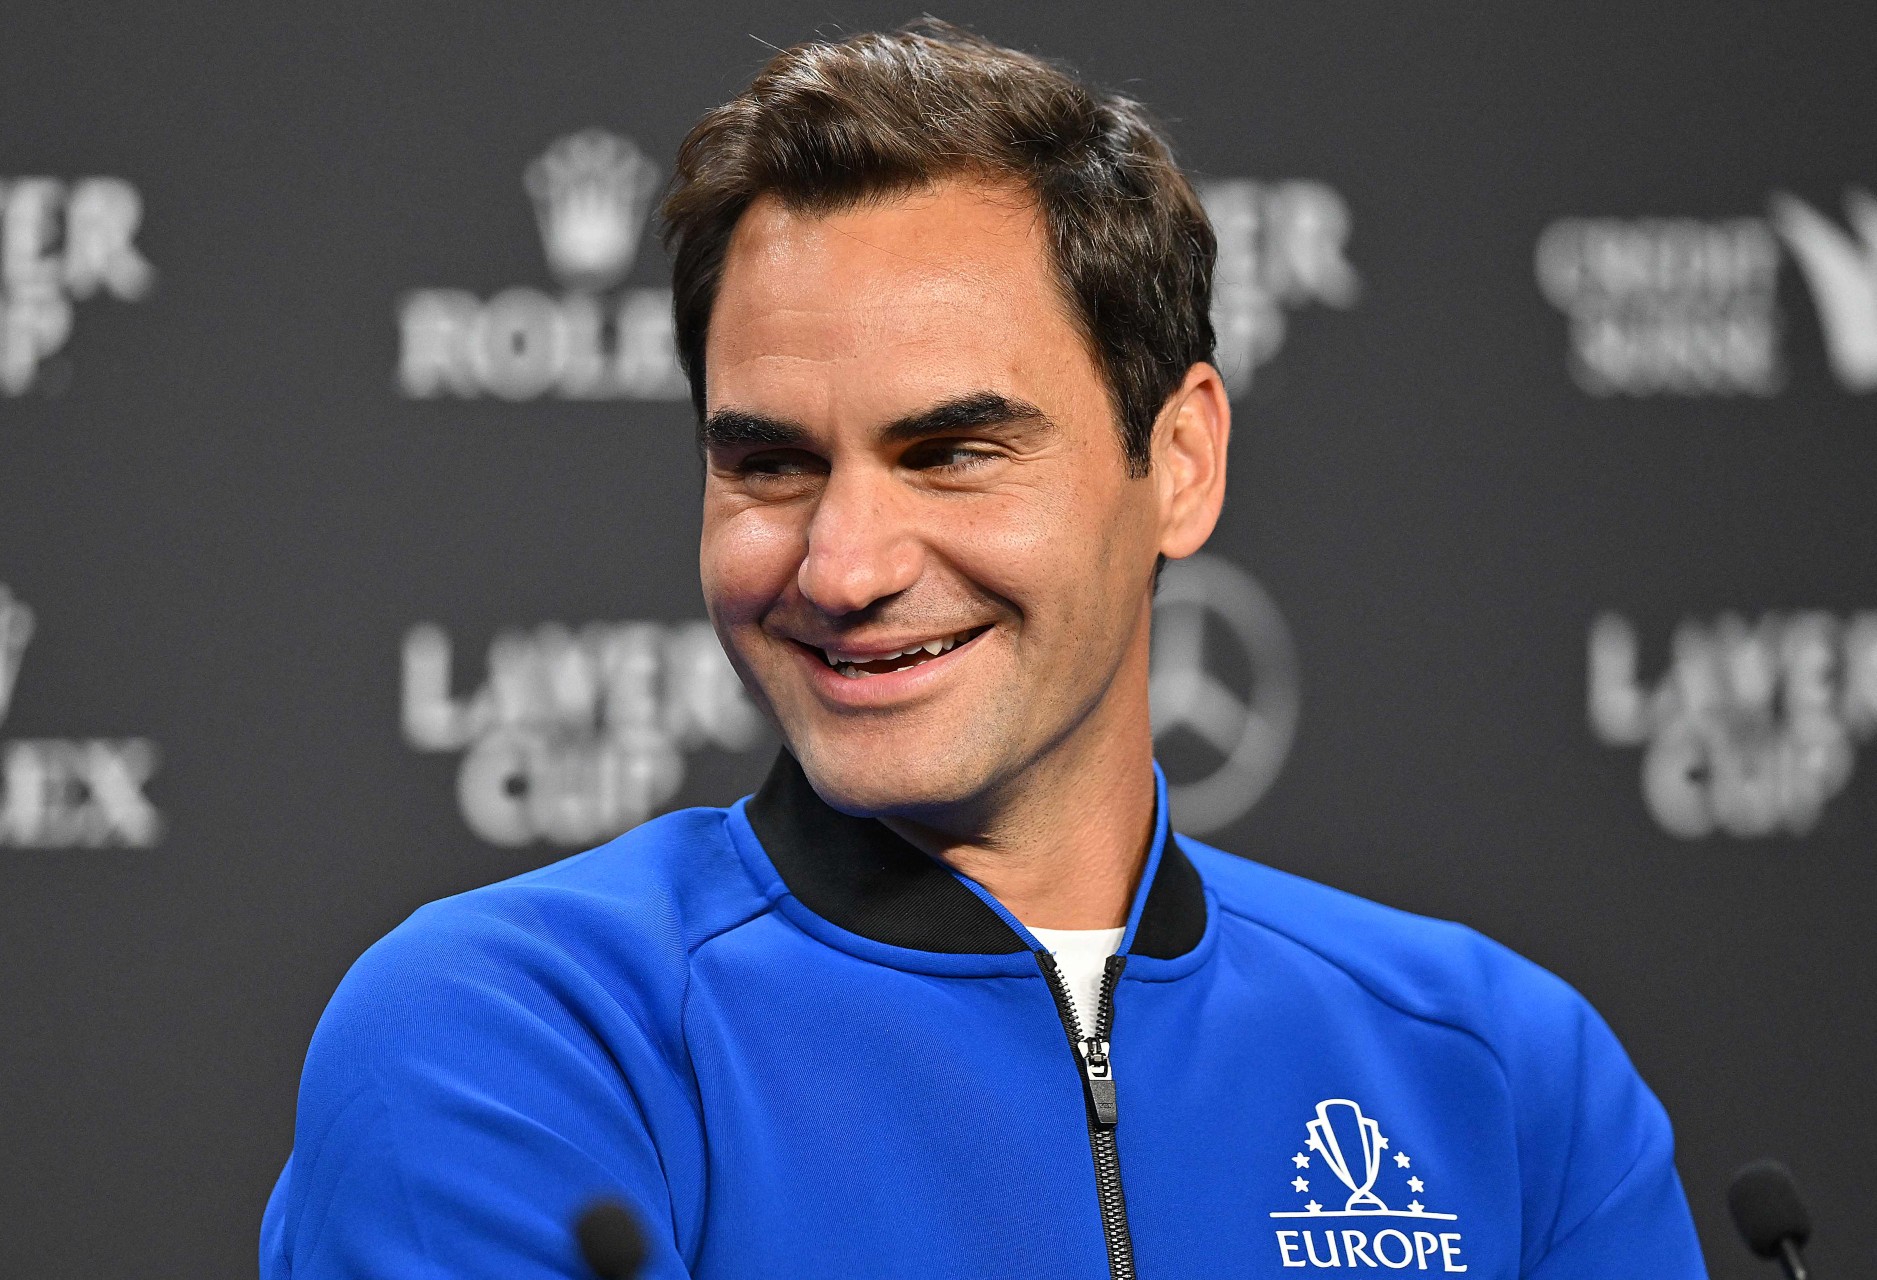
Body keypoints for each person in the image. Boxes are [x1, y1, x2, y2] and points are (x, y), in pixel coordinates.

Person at [261, 21, 1706, 1279]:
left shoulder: (1503, 1076)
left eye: (951, 452)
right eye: (770, 466)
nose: (844, 568)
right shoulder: (517, 1036)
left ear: (1182, 461)